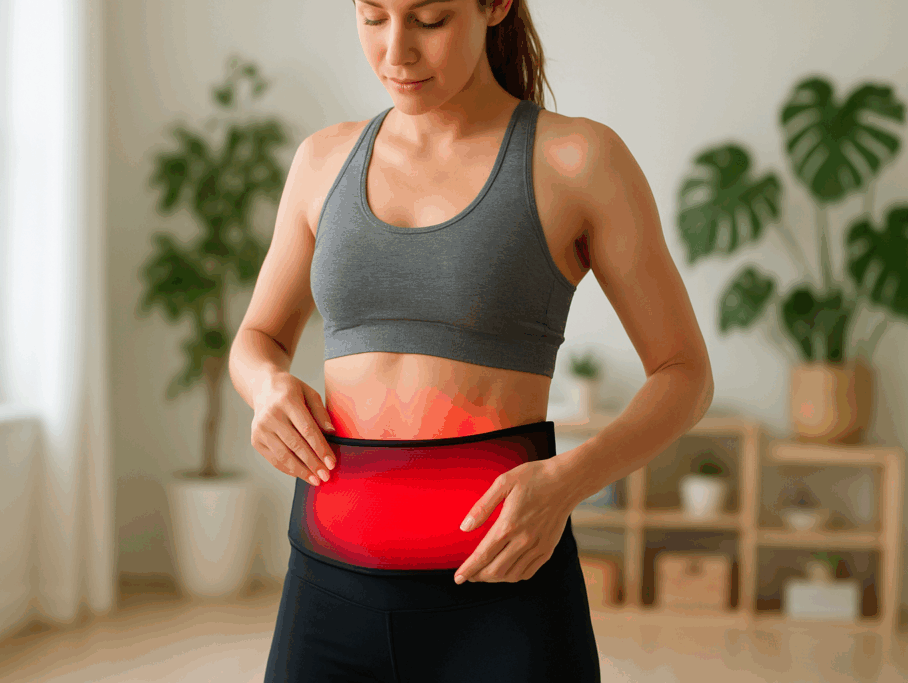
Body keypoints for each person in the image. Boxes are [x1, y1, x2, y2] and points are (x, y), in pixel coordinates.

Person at [230, 0, 714, 681]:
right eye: (372, 16)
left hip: (504, 605)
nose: (395, 51)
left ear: (494, 5)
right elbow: (256, 337)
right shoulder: (322, 161)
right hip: (326, 593)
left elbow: (684, 371)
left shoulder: (577, 159)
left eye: (428, 20)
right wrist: (266, 386)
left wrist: (568, 480)